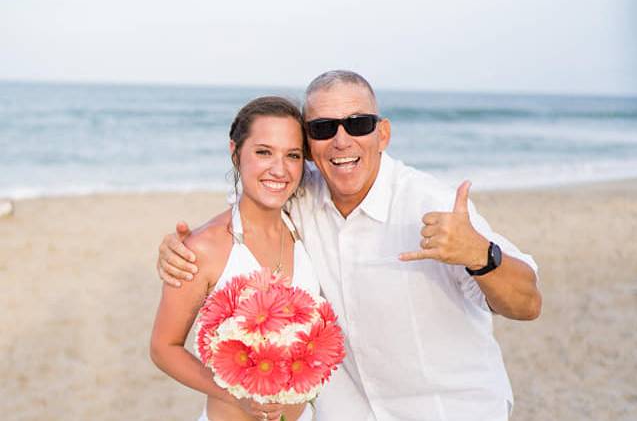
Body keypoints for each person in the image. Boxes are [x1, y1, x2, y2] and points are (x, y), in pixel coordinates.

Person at [157, 71, 542, 421]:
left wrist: (481, 256)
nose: (341, 140)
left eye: (358, 123)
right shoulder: (302, 195)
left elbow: (528, 304)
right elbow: (260, 186)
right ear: (310, 145)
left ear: (383, 134)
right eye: (323, 128)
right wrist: (180, 246)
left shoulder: (431, 203)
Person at [150, 96, 321, 421]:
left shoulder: (306, 228)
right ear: (235, 152)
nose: (279, 169)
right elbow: (163, 347)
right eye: (263, 152)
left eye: (293, 155)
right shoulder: (204, 248)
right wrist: (234, 394)